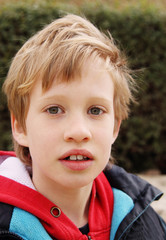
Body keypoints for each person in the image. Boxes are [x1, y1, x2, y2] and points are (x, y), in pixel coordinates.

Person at [0, 14, 165, 240]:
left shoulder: (144, 220)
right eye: (54, 110)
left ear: (115, 127)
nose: (79, 132)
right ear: (20, 128)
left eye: (95, 111)